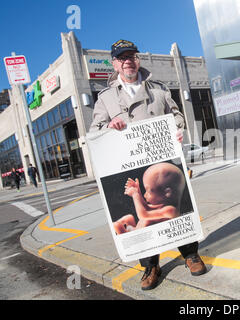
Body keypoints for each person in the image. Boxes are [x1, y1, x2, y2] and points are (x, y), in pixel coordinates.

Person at [89, 39, 206, 291]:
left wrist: (177, 129)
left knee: (177, 208)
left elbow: (176, 115)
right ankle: (151, 265)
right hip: (130, 165)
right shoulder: (105, 99)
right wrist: (109, 127)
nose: (128, 61)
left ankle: (190, 253)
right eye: (122, 58)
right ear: (115, 64)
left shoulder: (158, 89)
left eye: (131, 56)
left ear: (138, 60)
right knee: (144, 219)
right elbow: (95, 131)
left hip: (162, 161)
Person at [114, 162, 185, 233]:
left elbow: (143, 215)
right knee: (129, 218)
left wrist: (135, 195)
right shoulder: (162, 206)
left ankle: (123, 233)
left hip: (141, 237)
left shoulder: (171, 210)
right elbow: (146, 208)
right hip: (136, 229)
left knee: (117, 226)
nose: (145, 195)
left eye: (148, 191)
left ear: (167, 193)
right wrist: (138, 191)